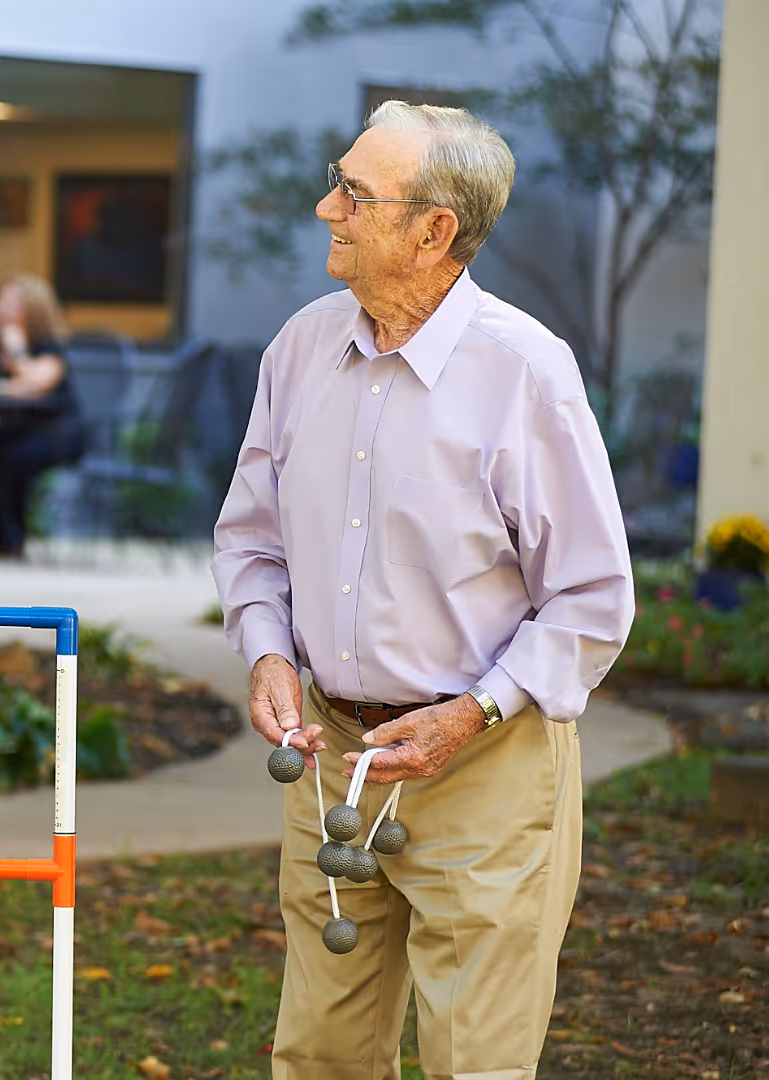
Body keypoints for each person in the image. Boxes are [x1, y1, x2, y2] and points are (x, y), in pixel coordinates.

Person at [212, 101, 634, 1079]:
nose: (327, 208)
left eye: (355, 194)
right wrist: (270, 650)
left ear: (434, 229)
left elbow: (591, 598)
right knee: (319, 1055)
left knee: (473, 1063)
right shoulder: (301, 349)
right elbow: (253, 538)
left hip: (484, 764)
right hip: (332, 755)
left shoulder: (526, 370)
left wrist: (474, 713)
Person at [0, 275, 84, 558]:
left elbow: (39, 383)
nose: (3, 308)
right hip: (15, 431)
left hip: (58, 431)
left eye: (13, 303)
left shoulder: (48, 346)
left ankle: (13, 540)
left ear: (34, 309)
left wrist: (17, 350)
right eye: (2, 301)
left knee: (15, 457)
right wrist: (5, 382)